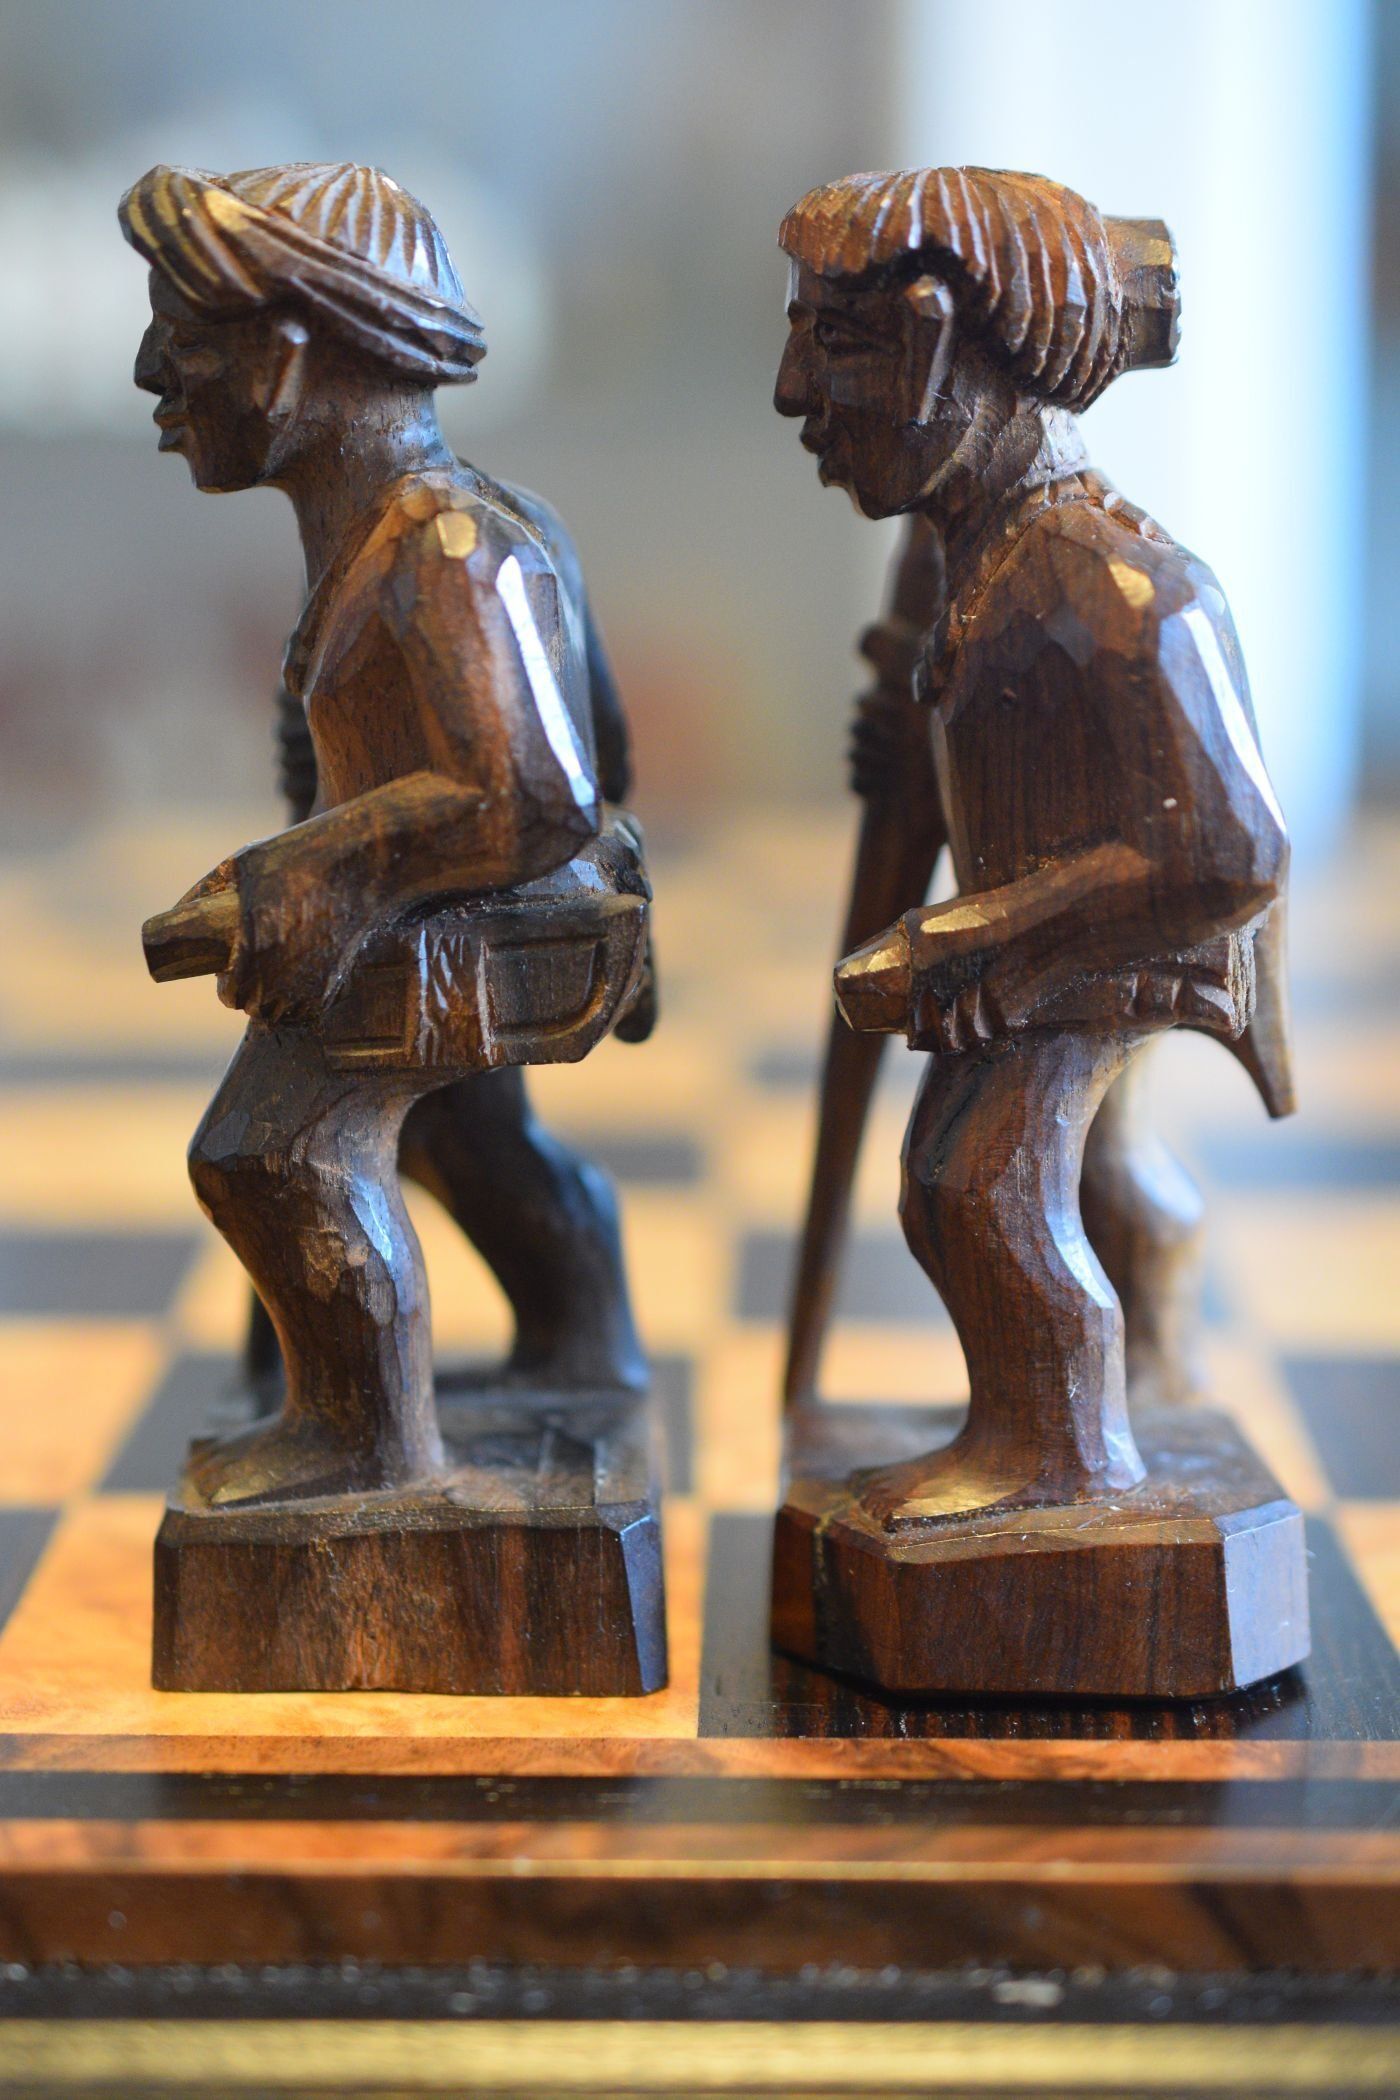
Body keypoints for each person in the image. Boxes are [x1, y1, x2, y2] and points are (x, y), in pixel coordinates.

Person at [122, 161, 649, 1505]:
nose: (150, 373)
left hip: (479, 914)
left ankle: (369, 1440)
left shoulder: (445, 548)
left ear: (291, 356)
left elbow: (534, 793)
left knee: (272, 1151)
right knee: (468, 1140)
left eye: (185, 337)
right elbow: (603, 741)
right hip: (465, 907)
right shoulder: (417, 528)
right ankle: (581, 1345)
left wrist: (304, 870)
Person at [774, 167, 1292, 1521]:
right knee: (1095, 1160)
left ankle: (1057, 1452)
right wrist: (915, 731)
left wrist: (973, 939)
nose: (791, 392)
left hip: (1116, 932)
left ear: (939, 346)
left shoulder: (1123, 588)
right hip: (1054, 918)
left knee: (972, 1178)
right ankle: (1153, 1374)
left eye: (835, 342)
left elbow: (1231, 853)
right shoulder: (964, 549)